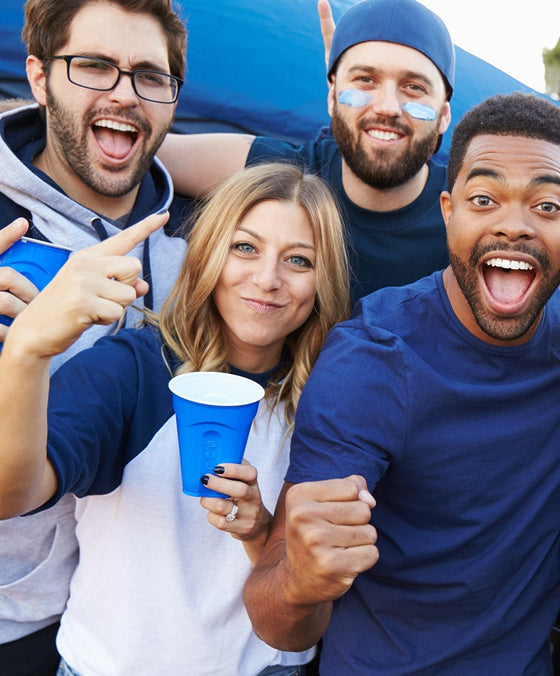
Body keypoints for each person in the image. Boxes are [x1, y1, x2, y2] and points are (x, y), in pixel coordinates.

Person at [243, 93, 560, 674]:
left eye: (546, 206)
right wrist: (301, 582)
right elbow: (274, 618)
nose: (513, 224)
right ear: (448, 210)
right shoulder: (373, 358)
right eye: (484, 200)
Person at [0, 162, 351, 675]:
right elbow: (13, 495)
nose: (268, 279)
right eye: (245, 247)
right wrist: (27, 352)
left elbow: (306, 619)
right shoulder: (132, 369)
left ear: (325, 280)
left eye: (299, 260)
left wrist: (259, 534)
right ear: (208, 253)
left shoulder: (331, 401)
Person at [0, 1, 187, 670]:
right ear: (40, 75)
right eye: (94, 67)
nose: (124, 93)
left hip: (140, 630)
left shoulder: (205, 242)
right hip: (17, 622)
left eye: (149, 75)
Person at [157, 0, 454, 301]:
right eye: (365, 80)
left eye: (413, 87)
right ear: (331, 98)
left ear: (444, 116)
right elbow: (143, 150)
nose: (388, 107)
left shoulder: (470, 212)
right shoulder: (287, 174)